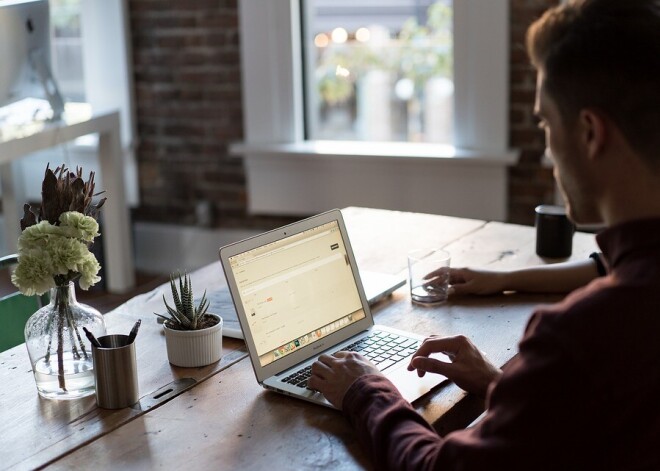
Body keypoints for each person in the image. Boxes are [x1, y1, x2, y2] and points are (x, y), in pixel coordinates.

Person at [308, 1, 660, 469]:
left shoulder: (581, 336)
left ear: (591, 133)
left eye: (545, 123)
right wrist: (507, 388)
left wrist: (365, 390)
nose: (547, 156)